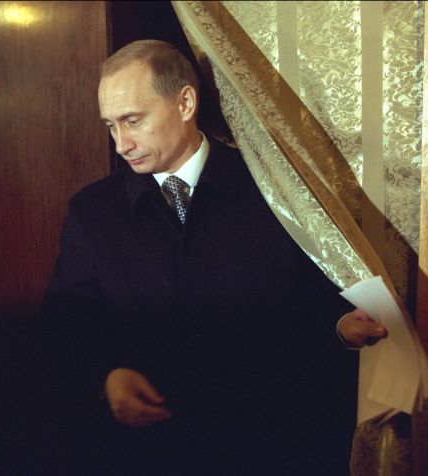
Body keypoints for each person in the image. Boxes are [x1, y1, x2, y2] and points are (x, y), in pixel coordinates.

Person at [40, 40, 387, 474]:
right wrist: (107, 376)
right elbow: (66, 322)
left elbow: (313, 294)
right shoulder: (93, 211)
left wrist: (339, 324)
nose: (121, 144)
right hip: (150, 452)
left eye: (133, 121)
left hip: (267, 446)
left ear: (185, 103)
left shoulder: (272, 188)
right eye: (111, 126)